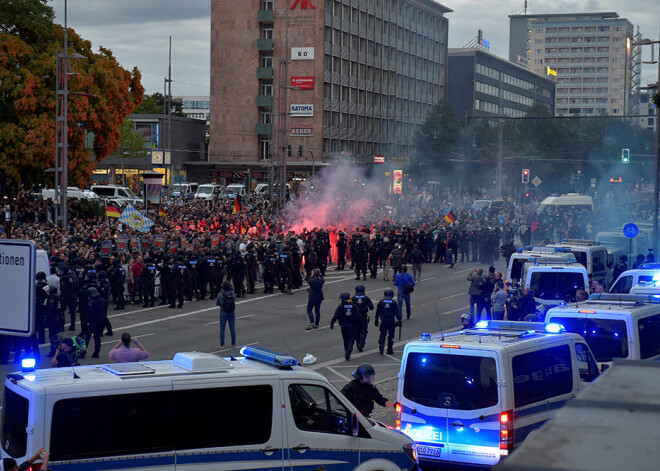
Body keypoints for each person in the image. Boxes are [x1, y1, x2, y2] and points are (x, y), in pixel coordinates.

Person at [330, 292, 359, 361]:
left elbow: (336, 315)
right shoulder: (353, 306)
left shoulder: (341, 306)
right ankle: (349, 350)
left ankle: (346, 352)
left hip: (343, 325)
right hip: (351, 325)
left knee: (345, 339)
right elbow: (357, 316)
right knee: (352, 338)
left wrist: (332, 323)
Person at [374, 289, 401, 355]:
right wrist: (399, 320)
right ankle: (389, 349)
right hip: (391, 320)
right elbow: (397, 313)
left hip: (383, 320)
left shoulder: (381, 302)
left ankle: (381, 344)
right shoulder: (394, 303)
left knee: (383, 333)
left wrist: (376, 320)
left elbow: (377, 312)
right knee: (391, 335)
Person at [352, 285, 374, 352]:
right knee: (364, 331)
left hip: (355, 318)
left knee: (357, 331)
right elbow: (371, 307)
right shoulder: (366, 298)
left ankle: (358, 344)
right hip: (363, 316)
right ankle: (361, 344)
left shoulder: (353, 298)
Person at [216, 281, 237, 348]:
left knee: (222, 329)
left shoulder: (220, 294)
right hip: (231, 313)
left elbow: (217, 303)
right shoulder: (232, 293)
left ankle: (222, 344)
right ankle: (233, 343)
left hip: (223, 313)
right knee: (232, 328)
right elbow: (234, 300)